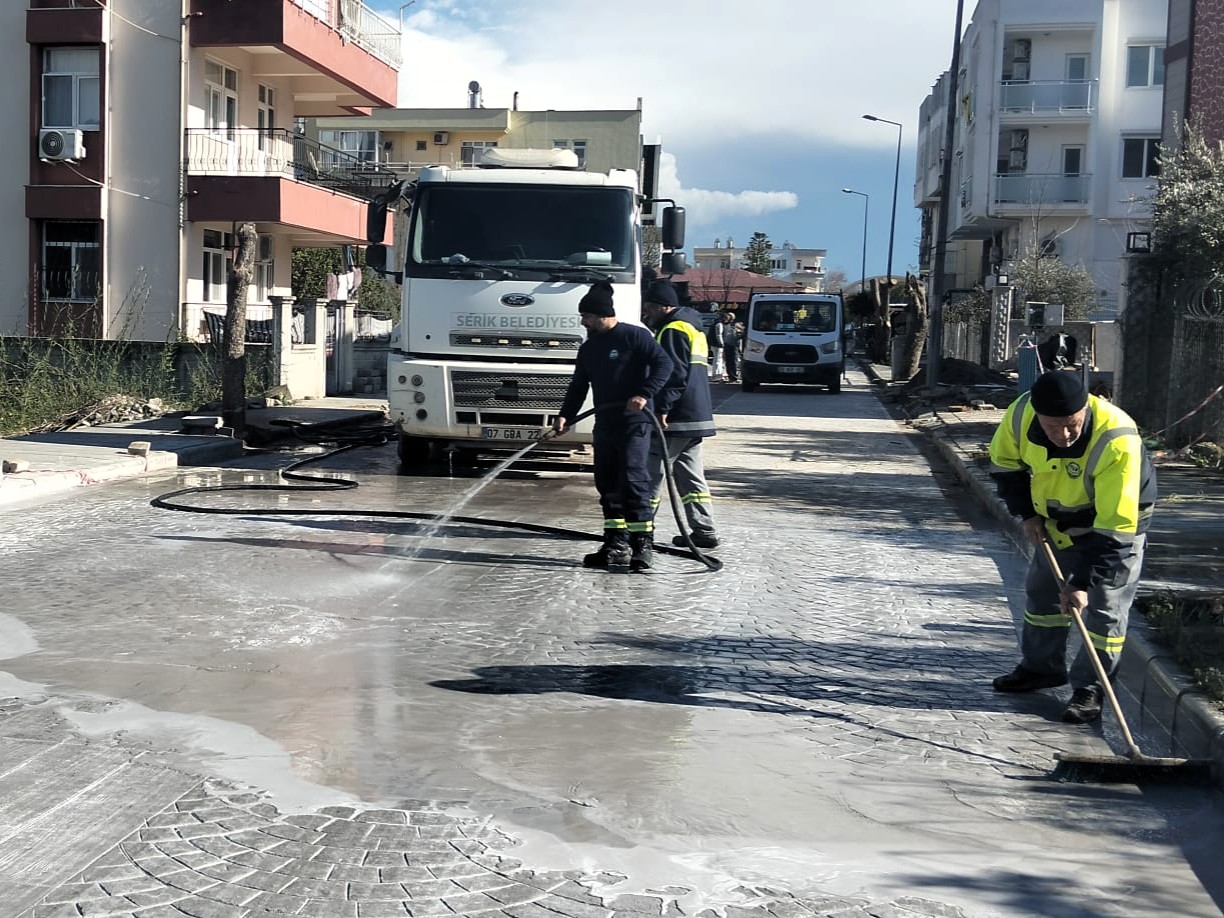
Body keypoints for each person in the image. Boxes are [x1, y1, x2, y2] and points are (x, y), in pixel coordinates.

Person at [988, 370, 1157, 724]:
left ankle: (1090, 688)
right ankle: (1041, 668)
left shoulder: (1116, 438)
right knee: (1043, 594)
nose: (1065, 436)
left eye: (1072, 425)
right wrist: (1027, 514)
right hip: (1055, 520)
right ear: (1037, 416)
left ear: (1086, 409)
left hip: (1115, 525)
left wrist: (1081, 582)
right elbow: (1005, 466)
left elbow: (1115, 529)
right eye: (1054, 428)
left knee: (1104, 607)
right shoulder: (1020, 414)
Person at [554, 281, 674, 572]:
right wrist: (564, 415)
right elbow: (578, 385)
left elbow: (664, 365)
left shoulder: (634, 337)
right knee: (607, 483)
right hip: (605, 423)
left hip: (634, 423)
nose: (583, 321)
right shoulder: (589, 348)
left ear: (603, 314)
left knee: (633, 480)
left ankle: (642, 545)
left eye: (587, 316)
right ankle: (615, 544)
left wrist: (644, 394)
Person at [641, 279, 720, 551]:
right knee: (691, 476)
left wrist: (662, 409)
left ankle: (642, 529)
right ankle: (704, 530)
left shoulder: (672, 330)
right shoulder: (693, 327)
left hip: (677, 416)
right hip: (697, 415)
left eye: (649, 308)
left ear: (662, 307)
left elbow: (673, 375)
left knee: (651, 471)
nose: (647, 313)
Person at [720, 311, 741, 382]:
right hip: (731, 345)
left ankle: (732, 376)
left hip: (731, 344)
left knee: (732, 361)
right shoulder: (727, 325)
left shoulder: (734, 325)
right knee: (731, 361)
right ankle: (732, 376)